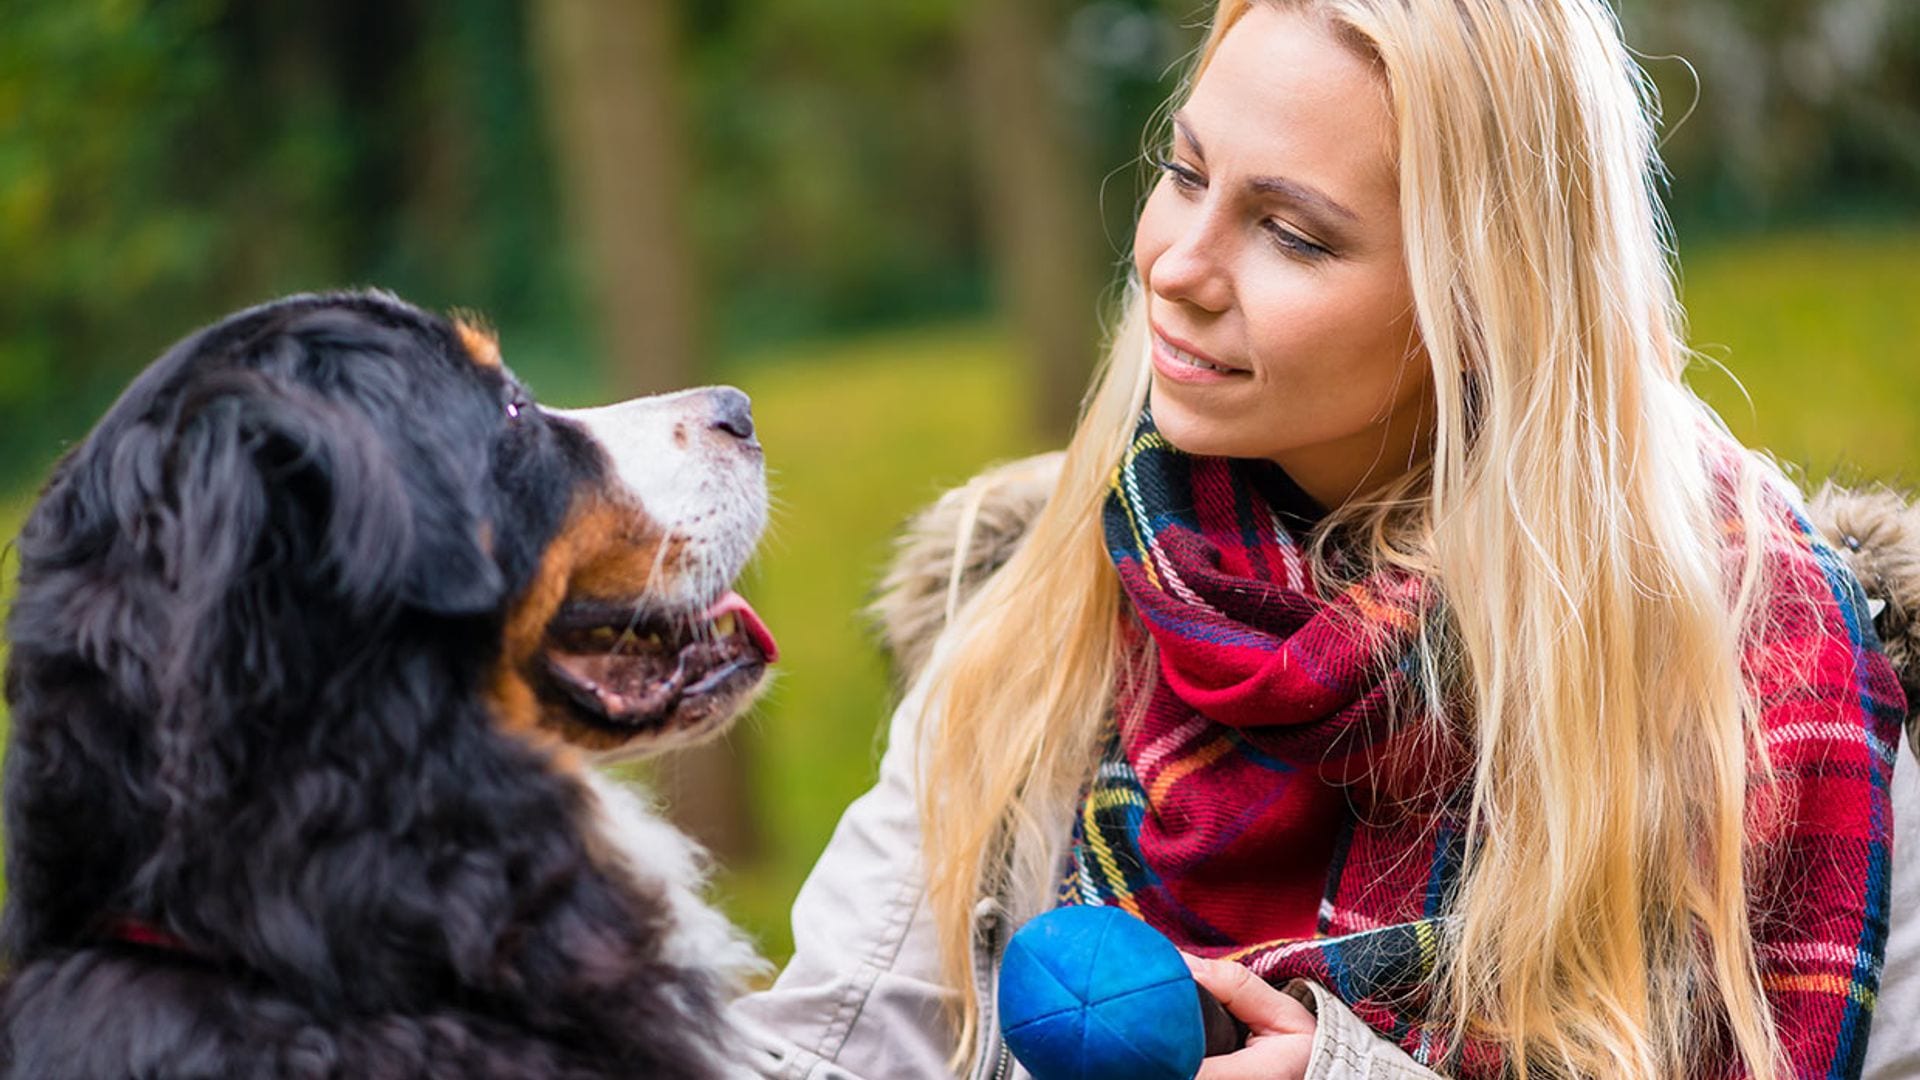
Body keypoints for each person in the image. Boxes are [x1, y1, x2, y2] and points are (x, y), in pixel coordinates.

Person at [731, 1, 1912, 1077]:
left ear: (1486, 304)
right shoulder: (1048, 604)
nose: (1177, 267)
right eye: (1183, 174)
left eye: (1292, 234)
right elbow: (833, 1046)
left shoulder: (1769, 676)